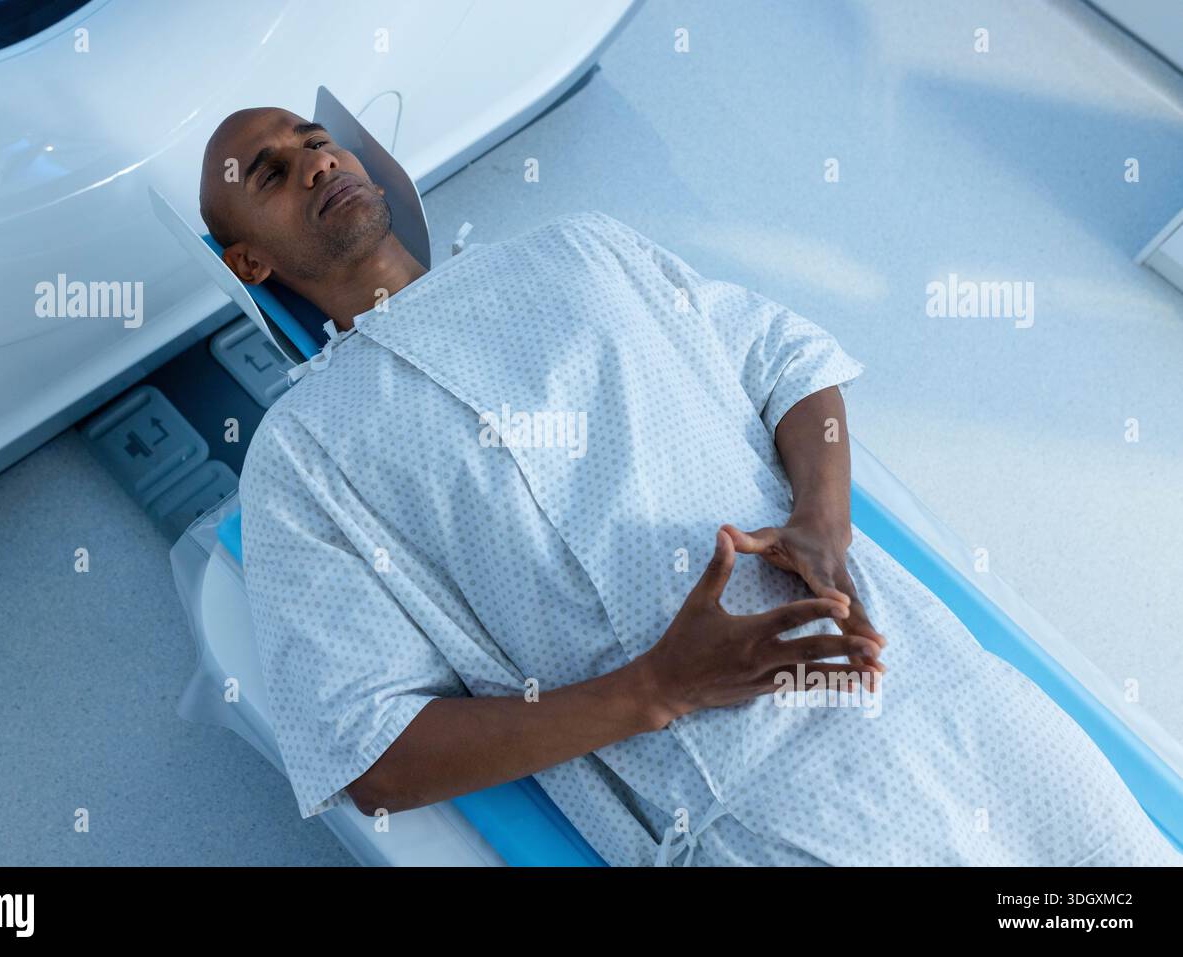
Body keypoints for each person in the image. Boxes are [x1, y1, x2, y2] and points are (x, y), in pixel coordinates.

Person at [202, 106, 1181, 866]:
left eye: (316, 140)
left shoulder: (577, 248)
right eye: (273, 175)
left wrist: (821, 518)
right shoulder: (303, 454)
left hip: (932, 682)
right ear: (248, 259)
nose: (314, 163)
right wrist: (659, 688)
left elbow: (793, 363)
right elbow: (371, 755)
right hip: (755, 797)